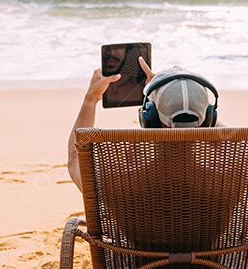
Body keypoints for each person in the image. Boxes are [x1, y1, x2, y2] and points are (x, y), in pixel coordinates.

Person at [66, 56, 219, 191]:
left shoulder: (118, 184)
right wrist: (203, 113)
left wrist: (90, 99)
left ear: (148, 119)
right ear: (208, 119)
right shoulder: (229, 181)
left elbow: (75, 158)